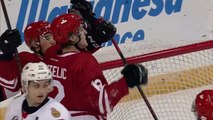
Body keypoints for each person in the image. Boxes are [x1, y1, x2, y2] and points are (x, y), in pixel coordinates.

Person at [43, 13, 148, 120]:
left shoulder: (50, 55)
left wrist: (95, 35)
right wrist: (126, 82)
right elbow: (102, 104)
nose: (85, 32)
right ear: (73, 38)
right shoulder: (85, 61)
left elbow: (70, 59)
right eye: (80, 29)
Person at [0, 21, 55, 101]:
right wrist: (5, 55)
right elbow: (10, 82)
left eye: (54, 36)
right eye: (47, 37)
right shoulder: (28, 60)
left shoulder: (65, 56)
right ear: (35, 44)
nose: (53, 41)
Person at [4, 62, 72, 120]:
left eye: (45, 85)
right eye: (36, 86)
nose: (41, 91)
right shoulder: (15, 104)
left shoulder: (58, 115)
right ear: (25, 86)